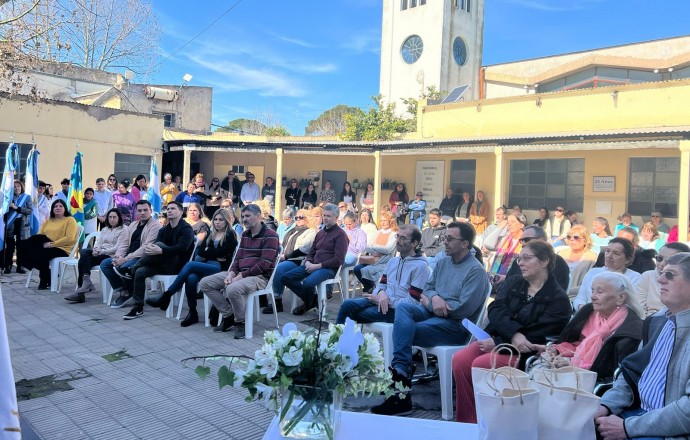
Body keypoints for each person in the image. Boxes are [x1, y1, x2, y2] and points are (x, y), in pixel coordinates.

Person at [372, 222, 490, 416]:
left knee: (402, 331)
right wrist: (434, 299)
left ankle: (400, 388)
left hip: (456, 326)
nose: (444, 242)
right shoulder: (443, 262)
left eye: (450, 239)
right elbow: (427, 288)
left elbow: (462, 309)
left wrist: (431, 301)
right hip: (433, 312)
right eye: (444, 237)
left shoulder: (475, 271)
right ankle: (402, 375)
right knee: (403, 308)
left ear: (465, 244)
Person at [452, 240, 572, 423]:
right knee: (460, 360)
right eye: (519, 259)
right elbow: (496, 309)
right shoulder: (515, 282)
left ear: (544, 261)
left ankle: (493, 423)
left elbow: (540, 333)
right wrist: (511, 335)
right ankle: (468, 421)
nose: (520, 263)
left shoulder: (558, 299)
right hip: (499, 339)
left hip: (527, 352)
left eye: (526, 258)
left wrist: (501, 341)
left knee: (482, 364)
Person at [593, 252, 690, 440]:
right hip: (636, 413)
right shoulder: (657, 321)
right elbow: (632, 372)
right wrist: (606, 405)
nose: (660, 279)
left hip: (670, 432)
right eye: (661, 273)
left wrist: (628, 428)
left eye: (670, 275)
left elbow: (687, 413)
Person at [535, 272, 644, 383]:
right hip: (574, 369)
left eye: (600, 292)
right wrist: (556, 350)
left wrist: (574, 366)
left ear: (620, 297)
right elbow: (579, 345)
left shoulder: (632, 328)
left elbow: (615, 372)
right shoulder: (589, 312)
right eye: (592, 290)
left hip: (599, 382)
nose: (592, 296)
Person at [198, 203, 280, 339]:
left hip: (260, 277)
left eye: (248, 216)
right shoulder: (245, 235)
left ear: (259, 216)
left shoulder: (271, 236)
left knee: (232, 289)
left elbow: (264, 265)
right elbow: (237, 258)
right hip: (240, 273)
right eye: (242, 216)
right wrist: (231, 273)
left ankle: (240, 322)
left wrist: (240, 276)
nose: (244, 219)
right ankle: (228, 315)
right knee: (205, 283)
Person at [146, 208, 238, 327]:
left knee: (190, 265)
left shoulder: (230, 234)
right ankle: (192, 312)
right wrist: (214, 253)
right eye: (215, 219)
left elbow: (225, 251)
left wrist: (209, 251)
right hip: (207, 265)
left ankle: (166, 295)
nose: (217, 222)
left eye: (221, 220)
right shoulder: (211, 233)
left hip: (220, 269)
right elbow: (201, 252)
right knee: (191, 278)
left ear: (226, 221)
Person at [337, 224, 430, 324]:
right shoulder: (393, 262)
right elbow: (381, 286)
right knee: (347, 305)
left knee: (354, 313)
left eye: (403, 238)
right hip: (382, 301)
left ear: (414, 243)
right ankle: (338, 338)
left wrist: (386, 301)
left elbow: (413, 302)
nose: (398, 240)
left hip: (400, 311)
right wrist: (381, 294)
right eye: (397, 236)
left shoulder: (421, 267)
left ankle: (339, 338)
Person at [123, 201, 194, 320]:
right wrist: (153, 248)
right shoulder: (164, 230)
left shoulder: (186, 229)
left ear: (181, 212)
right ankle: (138, 307)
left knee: (159, 245)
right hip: (161, 263)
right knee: (140, 272)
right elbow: (156, 247)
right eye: (168, 208)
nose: (169, 210)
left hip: (178, 266)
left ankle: (132, 268)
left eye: (173, 208)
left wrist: (162, 251)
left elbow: (182, 248)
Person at [285, 204, 348, 315]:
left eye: (329, 216)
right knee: (286, 277)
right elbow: (312, 251)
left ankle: (307, 304)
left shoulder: (340, 235)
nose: (325, 218)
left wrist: (318, 266)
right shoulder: (320, 233)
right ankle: (313, 300)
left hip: (327, 269)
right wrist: (308, 261)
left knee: (308, 283)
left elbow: (339, 260)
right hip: (311, 265)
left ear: (336, 218)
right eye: (324, 215)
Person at [103, 200, 162, 309]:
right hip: (128, 255)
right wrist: (119, 255)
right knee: (106, 264)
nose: (142, 213)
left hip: (142, 257)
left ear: (151, 210)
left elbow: (146, 247)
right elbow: (124, 243)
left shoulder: (155, 225)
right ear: (136, 211)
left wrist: (125, 259)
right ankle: (124, 291)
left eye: (145, 210)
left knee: (124, 267)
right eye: (139, 210)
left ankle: (130, 292)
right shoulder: (133, 224)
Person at [261, 209, 317, 314]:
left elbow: (304, 249)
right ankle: (262, 297)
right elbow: (281, 243)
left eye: (301, 217)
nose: (298, 219)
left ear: (308, 219)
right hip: (286, 258)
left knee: (278, 269)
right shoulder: (293, 230)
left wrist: (284, 256)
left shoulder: (311, 231)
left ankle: (277, 302)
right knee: (265, 266)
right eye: (297, 217)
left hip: (299, 260)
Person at [65, 209, 124, 302]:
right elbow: (98, 242)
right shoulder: (105, 229)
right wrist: (96, 249)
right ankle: (86, 282)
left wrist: (102, 252)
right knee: (84, 255)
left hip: (111, 256)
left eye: (114, 217)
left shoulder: (123, 230)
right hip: (100, 254)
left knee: (83, 258)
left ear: (119, 218)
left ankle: (81, 292)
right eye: (110, 217)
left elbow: (118, 247)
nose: (112, 219)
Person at [573, 237, 643, 311]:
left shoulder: (635, 277)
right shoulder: (593, 273)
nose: (609, 256)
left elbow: (631, 305)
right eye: (607, 251)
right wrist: (585, 310)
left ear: (628, 259)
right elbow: (580, 298)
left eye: (616, 253)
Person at [22, 199, 78, 290]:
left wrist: (52, 244)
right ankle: (51, 276)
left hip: (63, 248)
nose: (58, 208)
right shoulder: (48, 221)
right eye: (55, 206)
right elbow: (39, 235)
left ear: (65, 208)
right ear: (52, 209)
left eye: (60, 206)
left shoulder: (70, 220)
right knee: (26, 253)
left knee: (41, 256)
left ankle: (44, 281)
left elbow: (70, 238)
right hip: (47, 246)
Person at [502, 225, 570, 293]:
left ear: (542, 240)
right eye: (521, 240)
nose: (523, 243)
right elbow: (506, 288)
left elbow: (557, 292)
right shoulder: (518, 261)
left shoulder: (557, 262)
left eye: (527, 239)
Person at [634, 242, 690, 317]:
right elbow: (638, 307)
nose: (662, 263)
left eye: (669, 261)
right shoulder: (647, 276)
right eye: (659, 258)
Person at [354, 212, 398, 294]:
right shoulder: (378, 232)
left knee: (366, 270)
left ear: (391, 221)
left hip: (385, 262)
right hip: (373, 260)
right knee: (357, 269)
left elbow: (387, 250)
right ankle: (370, 287)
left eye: (385, 220)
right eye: (381, 220)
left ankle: (372, 290)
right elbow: (368, 247)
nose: (383, 222)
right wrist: (377, 250)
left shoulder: (394, 234)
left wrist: (374, 247)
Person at [2, 180, 33, 274]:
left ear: (21, 187)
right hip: (11, 223)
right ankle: (8, 265)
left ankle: (20, 266)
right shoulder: (9, 198)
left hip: (22, 224)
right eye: (14, 187)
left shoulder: (27, 197)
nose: (17, 188)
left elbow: (29, 211)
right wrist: (8, 207)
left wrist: (17, 208)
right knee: (10, 246)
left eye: (18, 186)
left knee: (21, 246)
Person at [488, 213, 527, 281]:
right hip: (495, 279)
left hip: (514, 281)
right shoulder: (505, 239)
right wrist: (500, 228)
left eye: (512, 221)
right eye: (508, 222)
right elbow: (487, 244)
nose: (509, 224)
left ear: (522, 225)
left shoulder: (526, 242)